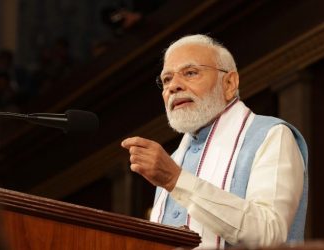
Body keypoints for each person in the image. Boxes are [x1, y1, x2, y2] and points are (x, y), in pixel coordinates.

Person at [121, 34, 308, 249]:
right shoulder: (174, 160)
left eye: (190, 73)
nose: (173, 86)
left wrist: (176, 179)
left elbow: (269, 233)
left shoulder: (271, 135)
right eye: (166, 79)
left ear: (229, 83)